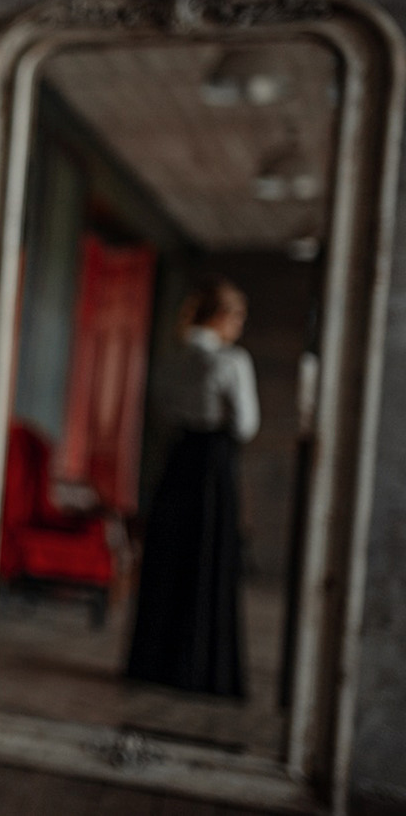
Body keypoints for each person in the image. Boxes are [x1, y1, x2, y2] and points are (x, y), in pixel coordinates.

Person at [125, 275, 259, 697]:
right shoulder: (231, 362)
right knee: (208, 559)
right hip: (213, 467)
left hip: (178, 461)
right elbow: (245, 425)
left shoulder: (169, 359)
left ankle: (154, 663)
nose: (239, 327)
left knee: (169, 559)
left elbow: (161, 412)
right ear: (222, 316)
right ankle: (202, 671)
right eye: (237, 318)